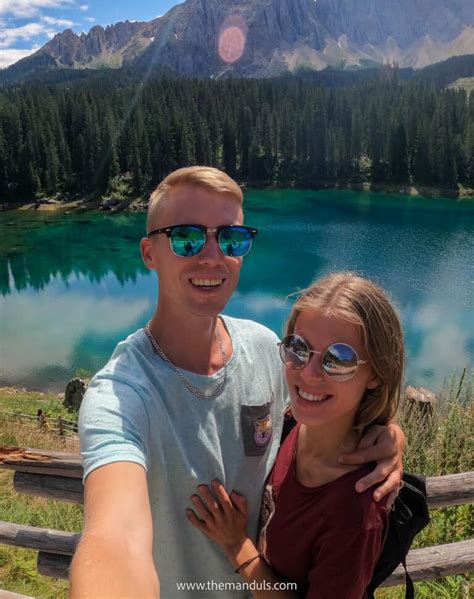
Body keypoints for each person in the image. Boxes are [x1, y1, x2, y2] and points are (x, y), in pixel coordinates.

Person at [70, 167, 405, 599]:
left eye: (230, 238)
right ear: (149, 252)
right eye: (187, 238)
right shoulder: (120, 396)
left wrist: (387, 433)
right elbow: (114, 539)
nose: (212, 257)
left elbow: (330, 406)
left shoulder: (266, 349)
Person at [188, 273, 405, 598]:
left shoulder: (354, 509)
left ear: (375, 372)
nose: (309, 372)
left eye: (339, 359)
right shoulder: (291, 423)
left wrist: (237, 546)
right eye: (298, 348)